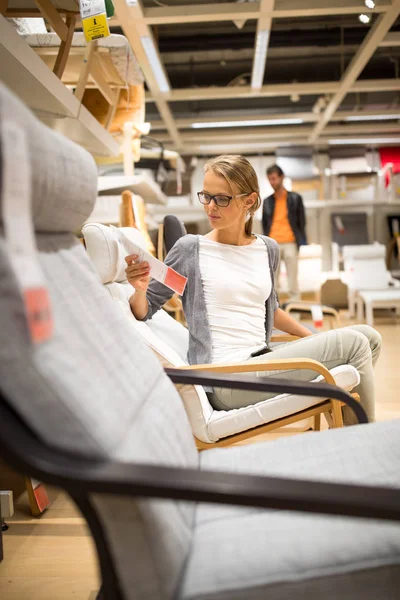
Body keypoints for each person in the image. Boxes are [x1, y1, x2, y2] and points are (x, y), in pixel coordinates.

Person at [125, 154, 380, 425]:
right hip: (226, 378)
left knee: (369, 336)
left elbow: (272, 309)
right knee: (354, 344)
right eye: (206, 196)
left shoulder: (268, 248)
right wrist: (140, 290)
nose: (211, 207)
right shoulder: (191, 249)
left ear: (249, 200)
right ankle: (362, 439)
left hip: (263, 362)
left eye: (222, 198)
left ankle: (347, 427)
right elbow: (144, 310)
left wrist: (313, 339)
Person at [262, 164, 306, 302]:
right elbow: (265, 224)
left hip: (290, 242)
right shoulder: (267, 201)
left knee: (293, 280)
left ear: (281, 177)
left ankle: (295, 313)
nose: (272, 182)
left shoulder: (295, 198)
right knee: (273, 282)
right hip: (273, 243)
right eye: (270, 179)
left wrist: (301, 241)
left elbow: (301, 221)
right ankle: (275, 315)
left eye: (274, 178)